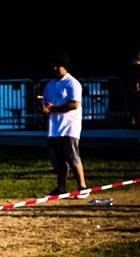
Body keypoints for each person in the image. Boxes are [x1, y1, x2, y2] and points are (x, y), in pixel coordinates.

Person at [40, 54, 87, 196]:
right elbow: (45, 103)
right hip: (53, 128)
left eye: (57, 65)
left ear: (64, 66)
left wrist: (53, 108)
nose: (54, 68)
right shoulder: (50, 84)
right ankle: (61, 188)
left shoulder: (72, 83)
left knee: (72, 157)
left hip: (69, 127)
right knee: (58, 161)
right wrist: (44, 108)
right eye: (53, 65)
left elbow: (74, 104)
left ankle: (83, 187)